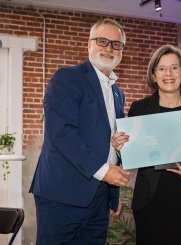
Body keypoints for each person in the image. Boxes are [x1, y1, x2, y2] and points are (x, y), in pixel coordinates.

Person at [29, 19, 131, 245]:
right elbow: (61, 132)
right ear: (89, 44)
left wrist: (118, 143)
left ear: (122, 50)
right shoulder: (67, 78)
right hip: (62, 195)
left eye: (116, 44)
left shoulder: (118, 93)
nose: (109, 48)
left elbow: (106, 138)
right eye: (102, 41)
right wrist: (104, 171)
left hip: (100, 197)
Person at [113, 44, 181, 245]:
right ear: (153, 75)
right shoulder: (140, 108)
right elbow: (132, 156)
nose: (168, 74)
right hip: (151, 203)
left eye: (175, 67)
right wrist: (121, 147)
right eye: (161, 68)